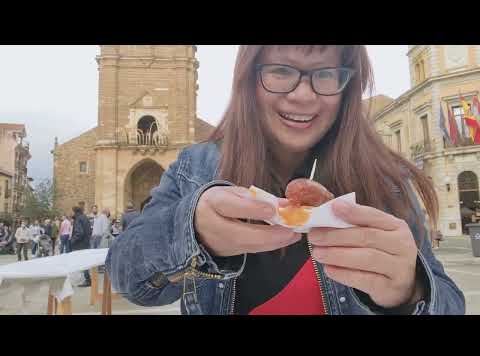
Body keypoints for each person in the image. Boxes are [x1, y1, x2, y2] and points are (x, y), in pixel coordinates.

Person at [106, 45, 465, 315]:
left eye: (325, 74)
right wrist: (188, 233)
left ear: (347, 87)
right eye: (281, 71)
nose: (303, 94)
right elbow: (127, 277)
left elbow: (450, 302)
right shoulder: (195, 168)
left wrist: (410, 290)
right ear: (249, 78)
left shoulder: (387, 179)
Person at [70, 206, 92, 287]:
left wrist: (72, 240)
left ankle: (86, 280)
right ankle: (87, 279)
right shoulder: (85, 217)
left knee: (81, 263)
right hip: (85, 243)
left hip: (80, 245)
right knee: (84, 262)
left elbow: (79, 233)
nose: (70, 213)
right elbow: (89, 231)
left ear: (75, 212)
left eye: (71, 211)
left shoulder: (78, 219)